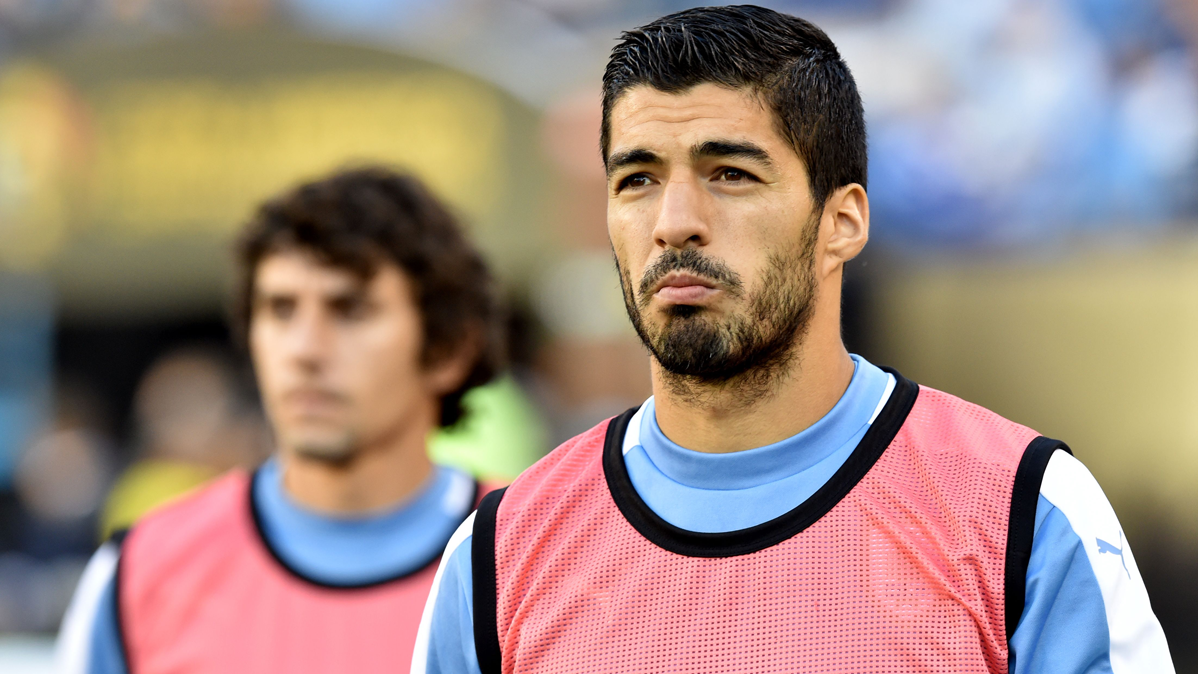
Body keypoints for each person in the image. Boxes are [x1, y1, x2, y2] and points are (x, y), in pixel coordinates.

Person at [412, 6, 1174, 674]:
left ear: (842, 222)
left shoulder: (1024, 511)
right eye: (637, 180)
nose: (674, 220)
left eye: (731, 173)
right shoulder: (499, 552)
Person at [57, 166, 506, 674]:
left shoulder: (536, 553)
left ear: (447, 348)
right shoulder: (141, 571)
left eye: (350, 309)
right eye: (280, 309)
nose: (304, 349)